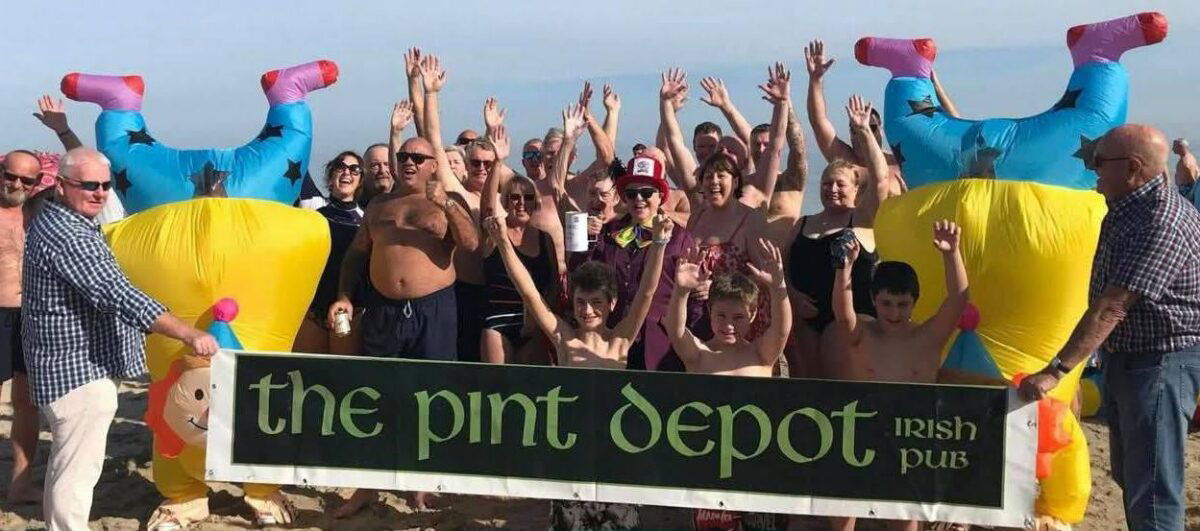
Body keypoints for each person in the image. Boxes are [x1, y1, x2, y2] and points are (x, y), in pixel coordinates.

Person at [22, 147, 218, 530]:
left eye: (105, 185)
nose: (99, 193)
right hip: (77, 373)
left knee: (70, 465)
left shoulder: (64, 220)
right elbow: (118, 294)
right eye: (88, 185)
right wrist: (188, 332)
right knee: (77, 470)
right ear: (61, 185)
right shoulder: (68, 235)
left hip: (72, 367)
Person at [1018, 124, 1200, 531]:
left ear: (1133, 167)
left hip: (1161, 362)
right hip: (1129, 359)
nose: (1091, 168)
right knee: (1132, 476)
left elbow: (1112, 306)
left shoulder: (1160, 222)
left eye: (1098, 161)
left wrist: (1057, 371)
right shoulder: (1127, 207)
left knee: (1153, 490)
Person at [483, 207, 667, 527]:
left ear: (611, 304)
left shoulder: (620, 340)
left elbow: (647, 293)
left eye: (596, 302)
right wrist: (502, 243)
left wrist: (660, 241)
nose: (587, 310)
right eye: (581, 302)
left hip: (615, 450)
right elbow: (528, 291)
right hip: (572, 451)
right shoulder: (564, 339)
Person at [829, 220, 967, 531]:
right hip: (861, 434)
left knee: (903, 518)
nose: (894, 313)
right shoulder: (861, 334)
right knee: (843, 512)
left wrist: (952, 254)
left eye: (902, 305)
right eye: (886, 304)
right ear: (873, 300)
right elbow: (842, 313)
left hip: (910, 439)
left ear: (915, 302)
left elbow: (958, 300)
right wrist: (843, 270)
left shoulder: (928, 337)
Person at [784, 95, 893, 378]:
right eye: (826, 184)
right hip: (806, 319)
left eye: (840, 184)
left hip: (852, 320)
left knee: (845, 385)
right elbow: (783, 263)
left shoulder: (862, 218)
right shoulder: (803, 223)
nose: (832, 189)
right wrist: (793, 295)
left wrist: (864, 131)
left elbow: (880, 179)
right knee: (809, 383)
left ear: (856, 190)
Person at [574, 156, 702, 372]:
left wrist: (691, 342)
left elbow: (694, 296)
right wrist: (586, 240)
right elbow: (582, 276)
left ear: (661, 196)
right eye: (631, 193)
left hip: (661, 344)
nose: (638, 199)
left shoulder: (679, 238)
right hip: (614, 339)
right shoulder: (608, 233)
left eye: (647, 192)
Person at [479, 128, 560, 364]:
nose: (521, 203)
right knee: (497, 383)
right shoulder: (495, 232)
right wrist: (498, 161)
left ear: (535, 203)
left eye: (528, 198)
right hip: (498, 323)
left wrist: (541, 317)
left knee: (531, 384)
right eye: (515, 197)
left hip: (534, 323)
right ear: (505, 201)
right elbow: (487, 207)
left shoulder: (544, 238)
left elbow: (554, 283)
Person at [666, 238, 791, 377]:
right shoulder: (698, 353)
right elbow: (675, 330)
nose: (729, 325)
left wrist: (778, 288)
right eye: (721, 315)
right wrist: (681, 291)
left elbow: (781, 330)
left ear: (752, 314)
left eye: (738, 317)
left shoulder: (761, 353)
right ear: (710, 311)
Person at [804, 40, 907, 198]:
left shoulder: (899, 163)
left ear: (881, 129)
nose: (863, 134)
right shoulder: (847, 161)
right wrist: (815, 81)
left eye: (871, 127)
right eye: (855, 130)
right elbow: (818, 122)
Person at [293, 151, 368, 355]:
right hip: (312, 309)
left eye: (354, 169)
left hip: (350, 309)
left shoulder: (366, 219)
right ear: (330, 175)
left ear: (361, 180)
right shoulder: (313, 212)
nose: (347, 173)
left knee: (341, 371)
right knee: (306, 370)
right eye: (340, 167)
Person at [0, 150, 42, 505]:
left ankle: (20, 484)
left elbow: (88, 170)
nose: (16, 184)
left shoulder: (39, 211)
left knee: (27, 403)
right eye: (10, 175)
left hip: (31, 316)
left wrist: (62, 129)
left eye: (26, 179)